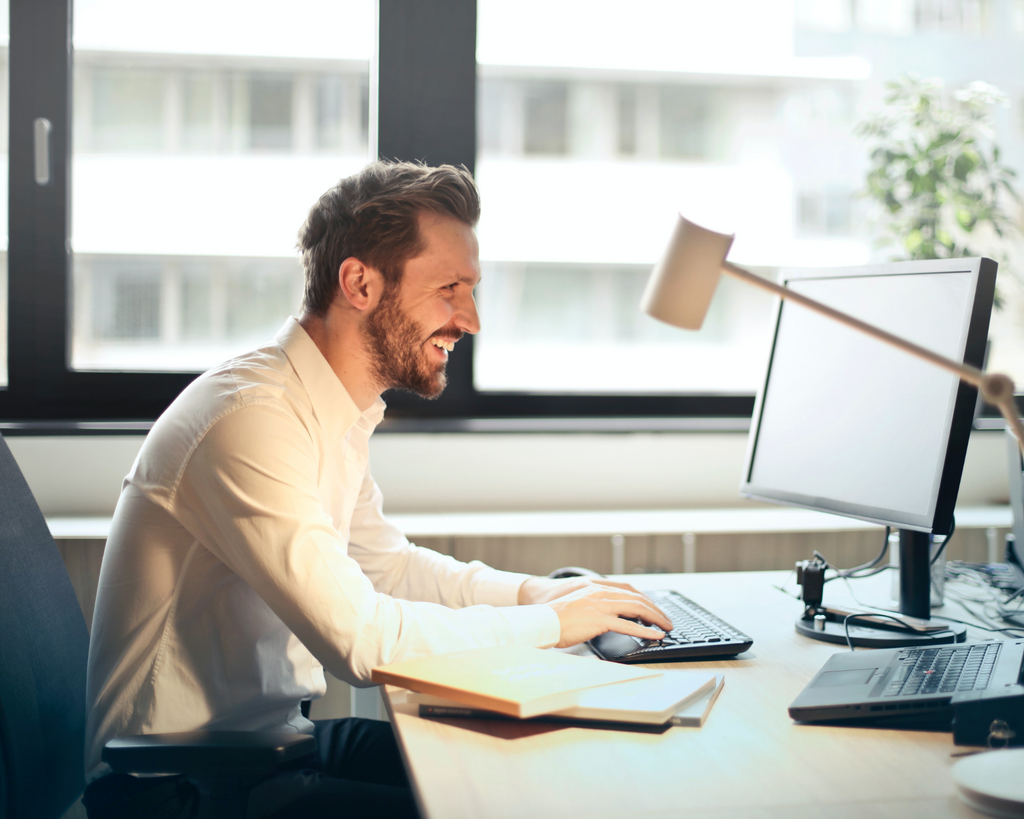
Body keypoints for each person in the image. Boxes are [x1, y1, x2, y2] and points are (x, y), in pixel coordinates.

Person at [82, 161, 671, 819]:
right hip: (177, 787)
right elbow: (361, 641)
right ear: (359, 282)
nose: (470, 319)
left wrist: (539, 593)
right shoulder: (250, 419)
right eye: (450, 287)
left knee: (541, 773)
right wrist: (554, 624)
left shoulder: (333, 410)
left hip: (270, 749)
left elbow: (387, 568)